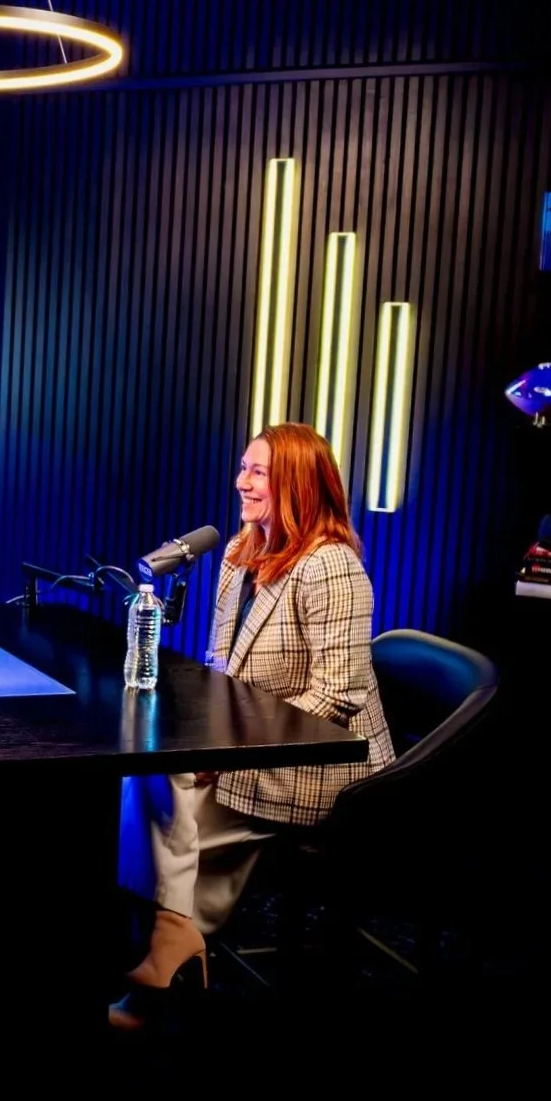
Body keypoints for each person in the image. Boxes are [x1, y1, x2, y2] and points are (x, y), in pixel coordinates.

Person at [113, 423, 393, 1027]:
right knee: (147, 783)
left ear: (296, 482)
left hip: (322, 770)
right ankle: (172, 952)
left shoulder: (331, 567)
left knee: (162, 811)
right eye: (242, 467)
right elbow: (226, 673)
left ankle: (164, 964)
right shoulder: (241, 555)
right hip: (256, 745)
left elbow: (337, 698)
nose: (241, 480)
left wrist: (236, 750)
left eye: (258, 471)